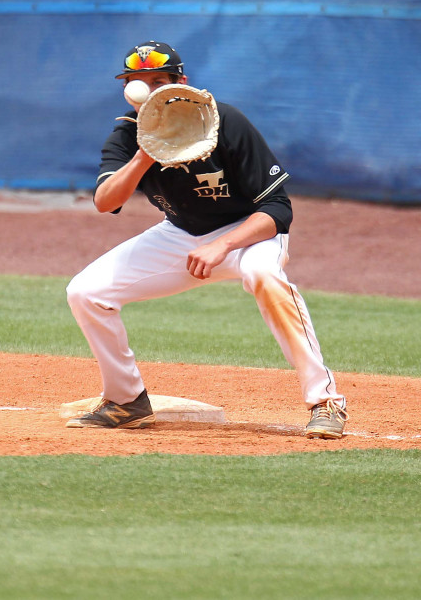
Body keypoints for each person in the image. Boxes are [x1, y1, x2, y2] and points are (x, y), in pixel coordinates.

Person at [65, 41, 347, 438]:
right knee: (85, 292)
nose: (149, 90)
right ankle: (127, 398)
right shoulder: (128, 134)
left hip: (249, 232)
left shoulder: (225, 122)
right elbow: (105, 201)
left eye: (159, 81)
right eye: (138, 83)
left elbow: (279, 210)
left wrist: (224, 244)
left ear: (182, 82)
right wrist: (144, 154)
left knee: (265, 277)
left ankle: (326, 401)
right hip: (180, 234)